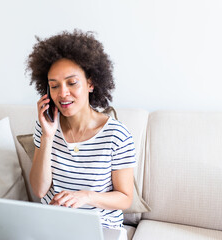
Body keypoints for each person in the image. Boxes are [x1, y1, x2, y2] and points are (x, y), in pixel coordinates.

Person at [26, 29, 136, 239]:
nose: (63, 93)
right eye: (54, 86)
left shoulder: (117, 135)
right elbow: (40, 191)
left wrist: (86, 197)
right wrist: (47, 137)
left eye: (72, 82)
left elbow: (125, 198)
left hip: (100, 228)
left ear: (91, 83)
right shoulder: (46, 126)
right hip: (53, 225)